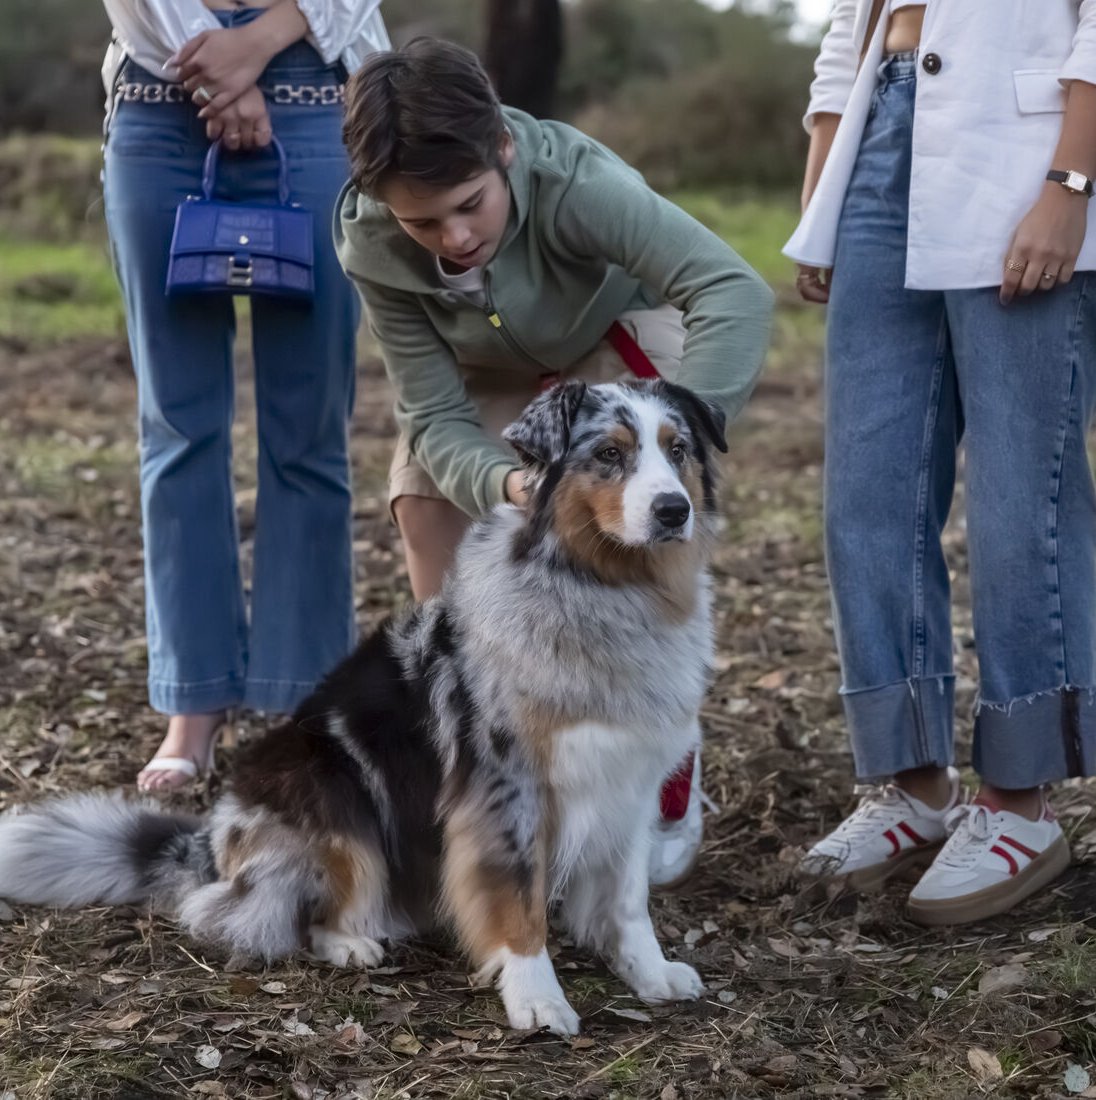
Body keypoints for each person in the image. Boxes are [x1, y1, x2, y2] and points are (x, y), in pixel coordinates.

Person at [333, 37, 775, 885]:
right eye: (423, 223)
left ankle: (667, 760)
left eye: (470, 204)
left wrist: (682, 429)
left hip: (618, 341)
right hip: (489, 370)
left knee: (643, 518)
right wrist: (511, 483)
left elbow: (733, 291)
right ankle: (493, 757)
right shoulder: (371, 242)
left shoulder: (577, 183)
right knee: (423, 500)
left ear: (502, 147)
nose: (455, 236)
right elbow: (433, 414)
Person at [785, 0, 1096, 923]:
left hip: (1024, 150)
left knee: (1020, 494)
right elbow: (852, 19)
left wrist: (1071, 182)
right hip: (881, 138)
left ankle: (1019, 800)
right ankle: (913, 782)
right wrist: (825, 182)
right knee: (867, 492)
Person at [99, 0, 389, 790]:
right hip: (161, 100)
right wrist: (216, 74)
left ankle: (306, 697)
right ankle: (193, 701)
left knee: (310, 432)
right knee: (177, 427)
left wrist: (256, 43)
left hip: (318, 100)